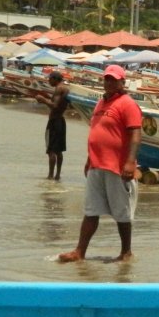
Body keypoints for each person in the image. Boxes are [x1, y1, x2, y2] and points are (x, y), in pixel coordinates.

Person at [58, 65, 142, 263]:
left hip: (117, 167)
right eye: (106, 79)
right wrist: (89, 159)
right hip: (97, 164)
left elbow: (136, 134)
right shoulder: (100, 103)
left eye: (113, 80)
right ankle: (80, 251)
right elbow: (96, 132)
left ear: (122, 82)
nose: (109, 83)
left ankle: (126, 252)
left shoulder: (127, 104)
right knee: (91, 210)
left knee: (122, 212)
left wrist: (130, 162)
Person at [36, 71, 70, 180]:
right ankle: (57, 175)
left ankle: (50, 175)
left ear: (55, 79)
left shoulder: (59, 89)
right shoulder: (65, 88)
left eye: (50, 78)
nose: (48, 80)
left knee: (51, 151)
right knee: (59, 151)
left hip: (55, 121)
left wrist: (43, 100)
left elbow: (55, 106)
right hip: (61, 121)